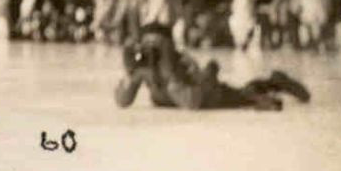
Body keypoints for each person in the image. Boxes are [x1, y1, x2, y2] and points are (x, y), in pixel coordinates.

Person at [113, 24, 310, 110]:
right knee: (244, 93)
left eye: (156, 45)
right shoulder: (145, 65)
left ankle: (275, 82)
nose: (150, 51)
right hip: (192, 96)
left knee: (244, 95)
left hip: (209, 94)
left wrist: (170, 73)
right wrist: (130, 73)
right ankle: (274, 81)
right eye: (147, 45)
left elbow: (193, 100)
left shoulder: (180, 61)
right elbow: (123, 102)